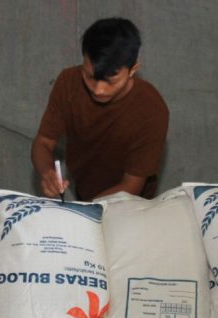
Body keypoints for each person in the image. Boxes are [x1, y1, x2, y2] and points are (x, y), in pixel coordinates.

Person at [32, 17, 169, 201]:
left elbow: (131, 186)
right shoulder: (68, 83)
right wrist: (47, 173)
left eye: (110, 81)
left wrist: (82, 212)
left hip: (130, 204)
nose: (98, 90)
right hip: (85, 190)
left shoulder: (151, 111)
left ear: (133, 69)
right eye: (89, 77)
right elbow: (43, 143)